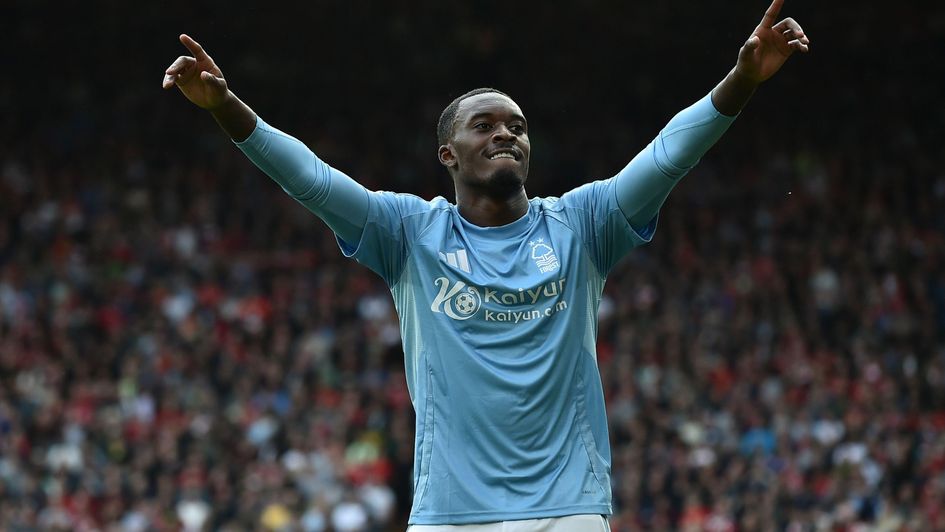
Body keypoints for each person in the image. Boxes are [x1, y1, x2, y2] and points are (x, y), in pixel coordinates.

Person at [162, 1, 808, 530]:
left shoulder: (582, 224)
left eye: (518, 126)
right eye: (485, 125)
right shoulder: (407, 232)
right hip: (449, 513)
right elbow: (311, 180)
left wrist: (742, 80)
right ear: (448, 152)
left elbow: (667, 157)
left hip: (568, 510)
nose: (506, 133)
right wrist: (225, 107)